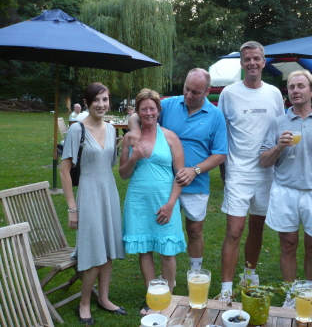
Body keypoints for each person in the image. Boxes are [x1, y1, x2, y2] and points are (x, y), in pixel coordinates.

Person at [127, 68, 227, 273]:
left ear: (207, 91)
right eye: (187, 89)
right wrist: (135, 129)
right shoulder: (170, 104)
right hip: (164, 184)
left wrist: (195, 170)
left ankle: (195, 272)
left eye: (196, 92)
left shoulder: (216, 116)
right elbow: (143, 112)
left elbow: (220, 154)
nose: (189, 95)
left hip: (195, 182)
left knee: (195, 230)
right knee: (162, 228)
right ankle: (161, 282)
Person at [260, 70, 312, 308]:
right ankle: (290, 296)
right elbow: (264, 161)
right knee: (288, 244)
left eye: (300, 86)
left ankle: (308, 296)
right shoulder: (279, 123)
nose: (295, 91)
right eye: (291, 87)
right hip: (285, 191)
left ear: (311, 91)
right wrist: (279, 146)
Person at [217, 41, 285, 300]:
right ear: (242, 63)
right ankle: (225, 291)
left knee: (257, 228)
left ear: (264, 62)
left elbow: (280, 128)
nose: (252, 63)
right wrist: (225, 172)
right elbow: (221, 133)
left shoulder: (274, 94)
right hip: (238, 173)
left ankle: (249, 275)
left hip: (267, 174)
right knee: (234, 231)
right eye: (247, 59)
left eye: (257, 58)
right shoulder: (229, 93)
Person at [60, 82, 126, 325]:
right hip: (88, 195)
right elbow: (65, 171)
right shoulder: (77, 130)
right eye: (96, 100)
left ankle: (105, 299)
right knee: (94, 252)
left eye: (105, 99)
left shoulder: (112, 129)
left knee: (107, 250)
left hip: (108, 192)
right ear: (87, 103)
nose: (101, 104)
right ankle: (84, 303)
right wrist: (72, 208)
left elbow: (110, 164)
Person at [120, 88, 186, 316]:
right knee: (145, 250)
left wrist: (170, 204)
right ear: (138, 112)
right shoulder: (130, 138)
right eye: (143, 109)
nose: (148, 112)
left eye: (152, 108)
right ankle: (152, 296)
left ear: (159, 110)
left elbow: (180, 175)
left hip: (165, 202)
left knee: (167, 252)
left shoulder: (170, 137)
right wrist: (134, 156)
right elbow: (123, 174)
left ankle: (167, 295)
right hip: (138, 202)